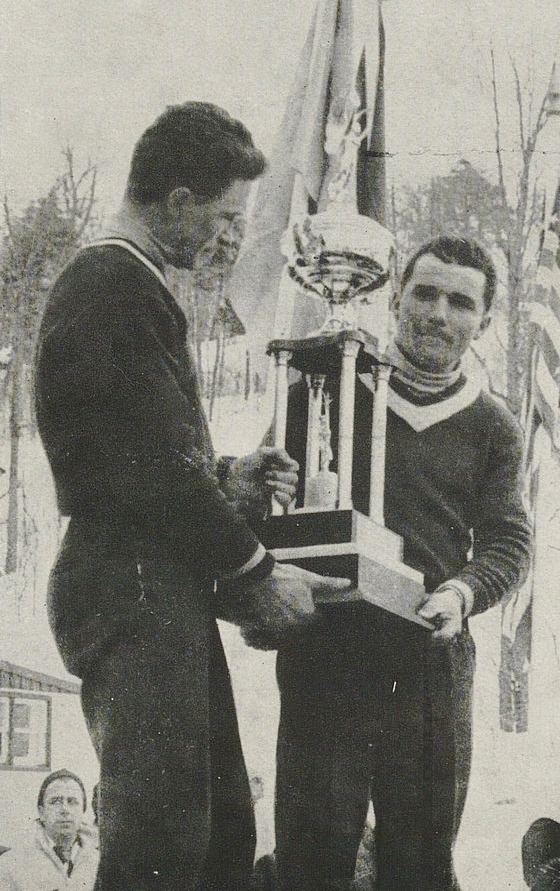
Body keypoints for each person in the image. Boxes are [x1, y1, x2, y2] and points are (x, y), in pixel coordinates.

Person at [33, 102, 347, 891]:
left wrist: (229, 479)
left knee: (218, 835)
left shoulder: (123, 286)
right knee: (163, 844)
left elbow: (144, 457)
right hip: (132, 589)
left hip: (155, 586)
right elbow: (151, 475)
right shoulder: (111, 283)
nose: (230, 235)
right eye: (225, 214)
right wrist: (253, 572)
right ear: (177, 201)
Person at [274, 235, 533, 891]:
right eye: (424, 293)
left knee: (418, 867)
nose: (439, 314)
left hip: (428, 664)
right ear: (394, 298)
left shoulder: (495, 426)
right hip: (326, 653)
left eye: (460, 302)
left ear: (485, 321)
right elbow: (266, 495)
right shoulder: (326, 383)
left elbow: (509, 542)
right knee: (311, 862)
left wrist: (462, 593)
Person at [0, 768, 99, 890]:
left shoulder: (101, 862)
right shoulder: (12, 864)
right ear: (41, 812)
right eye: (55, 802)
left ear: (82, 810)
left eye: (72, 802)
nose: (65, 810)